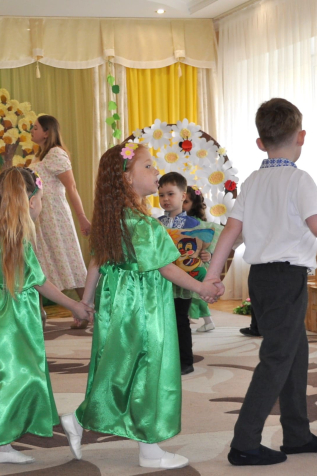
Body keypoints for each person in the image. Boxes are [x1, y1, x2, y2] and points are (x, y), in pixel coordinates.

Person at [59, 141, 221, 470]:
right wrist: (202, 288)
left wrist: (86, 300)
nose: (155, 170)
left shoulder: (114, 217)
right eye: (147, 166)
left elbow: (97, 259)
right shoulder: (142, 223)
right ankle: (150, 450)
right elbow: (166, 267)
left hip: (117, 303)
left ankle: (79, 420)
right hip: (142, 305)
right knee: (149, 367)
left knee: (121, 367)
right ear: (127, 178)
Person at [204, 98, 317, 466]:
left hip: (262, 279)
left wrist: (213, 274)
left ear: (260, 142)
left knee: (295, 354)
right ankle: (244, 442)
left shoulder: (252, 182)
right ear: (301, 136)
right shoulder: (300, 180)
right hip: (286, 278)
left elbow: (230, 232)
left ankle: (297, 435)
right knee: (277, 358)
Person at [0, 167, 92, 464]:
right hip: (13, 317)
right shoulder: (17, 238)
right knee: (21, 376)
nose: (41, 206)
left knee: (2, 374)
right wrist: (74, 305)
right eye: (41, 199)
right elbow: (40, 282)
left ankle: (0, 444)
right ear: (30, 201)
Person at [29, 115, 90, 324]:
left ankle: (89, 310)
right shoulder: (37, 157)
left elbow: (71, 187)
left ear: (47, 132)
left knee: (70, 260)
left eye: (35, 127)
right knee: (39, 262)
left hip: (56, 217)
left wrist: (82, 218)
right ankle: (38, 313)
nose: (32, 130)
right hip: (40, 217)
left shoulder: (56, 153)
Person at [158, 173, 217, 375]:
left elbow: (204, 248)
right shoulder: (155, 224)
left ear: (183, 196)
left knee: (180, 319)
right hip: (160, 281)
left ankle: (185, 361)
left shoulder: (195, 225)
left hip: (182, 282)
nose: (165, 199)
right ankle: (164, 359)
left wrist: (207, 255)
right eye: (161, 195)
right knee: (161, 321)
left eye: (170, 194)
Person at [183, 185, 219, 333]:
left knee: (195, 293)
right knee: (189, 294)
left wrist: (208, 254)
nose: (182, 204)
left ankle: (207, 321)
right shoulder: (175, 222)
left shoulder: (199, 224)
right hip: (184, 265)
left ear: (194, 204)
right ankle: (190, 318)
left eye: (186, 202)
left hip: (193, 266)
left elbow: (212, 243)